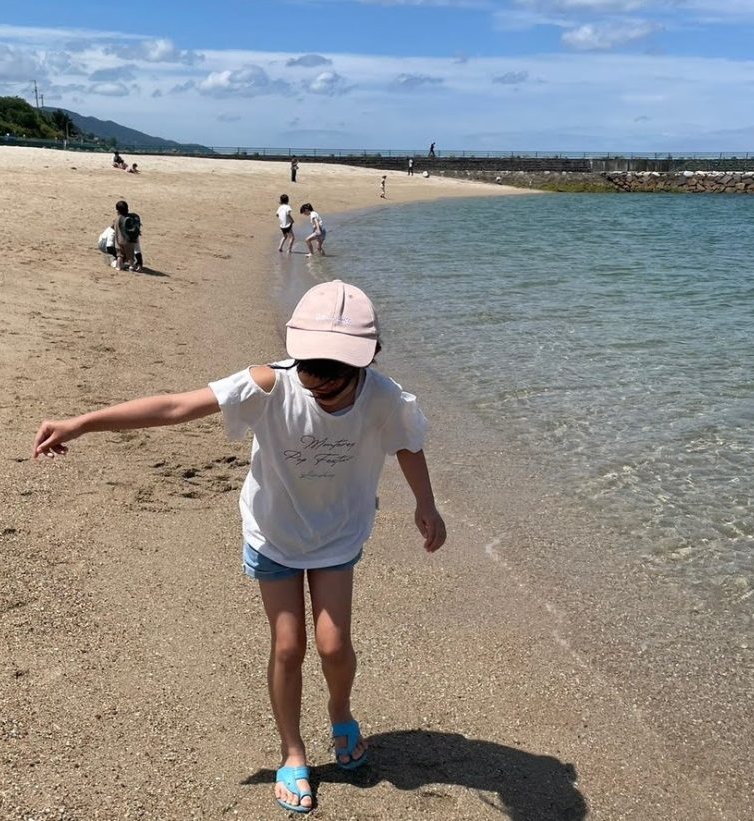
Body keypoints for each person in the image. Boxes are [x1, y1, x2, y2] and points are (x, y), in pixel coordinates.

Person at [32, 280, 447, 815]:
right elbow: (175, 406)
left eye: (333, 383)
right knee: (288, 646)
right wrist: (83, 423)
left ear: (366, 360)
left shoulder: (383, 397)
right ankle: (292, 750)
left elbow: (408, 443)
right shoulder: (270, 384)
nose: (320, 389)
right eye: (311, 377)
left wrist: (426, 504)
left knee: (334, 645)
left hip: (337, 533)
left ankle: (341, 713)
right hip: (274, 533)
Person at [113, 200, 142, 272]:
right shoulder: (130, 218)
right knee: (130, 255)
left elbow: (114, 228)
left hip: (119, 241)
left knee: (119, 255)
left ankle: (118, 267)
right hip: (128, 241)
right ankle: (131, 266)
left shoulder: (117, 219)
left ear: (117, 211)